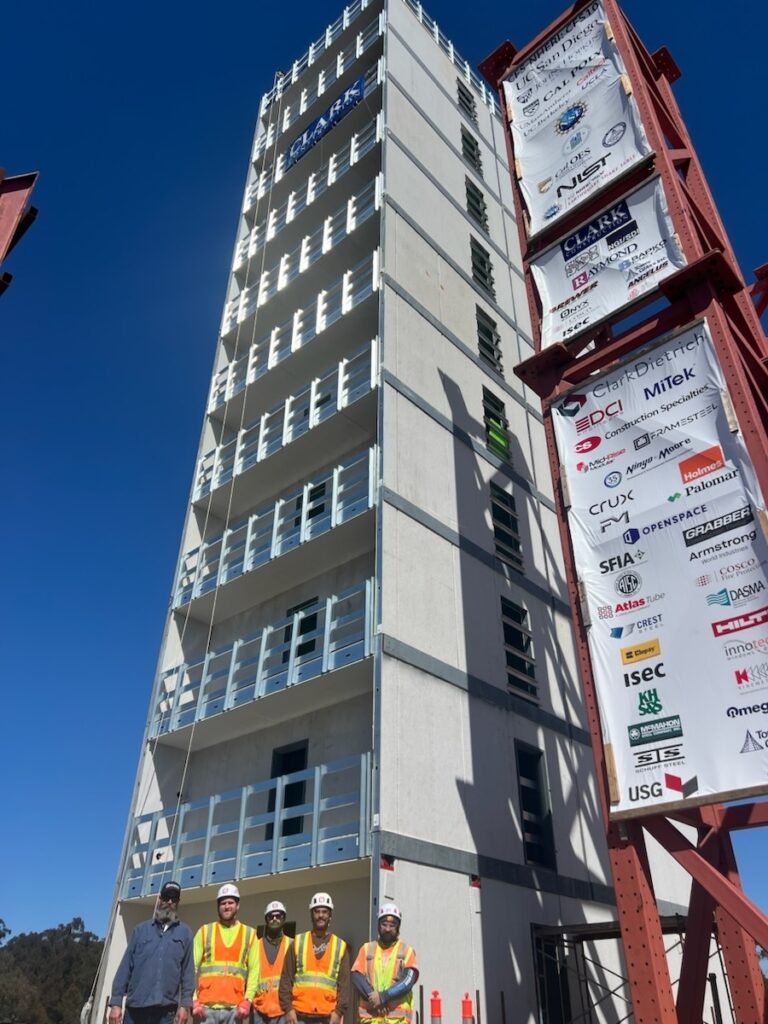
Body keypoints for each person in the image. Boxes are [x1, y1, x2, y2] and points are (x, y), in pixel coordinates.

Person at [109, 881, 195, 1024]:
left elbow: (187, 973)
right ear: (159, 899)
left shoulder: (185, 934)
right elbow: (125, 968)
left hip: (166, 1013)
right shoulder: (140, 930)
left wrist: (185, 1006)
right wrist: (116, 1003)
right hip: (135, 1012)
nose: (169, 901)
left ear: (178, 902)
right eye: (166, 897)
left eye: (174, 899)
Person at [278, 892, 350, 1024]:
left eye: (325, 912)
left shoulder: (340, 946)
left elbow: (344, 985)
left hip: (327, 1016)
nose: (321, 915)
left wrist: (339, 1013)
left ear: (330, 916)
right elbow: (285, 979)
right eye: (317, 911)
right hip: (299, 1015)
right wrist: (288, 1009)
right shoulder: (298, 942)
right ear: (312, 914)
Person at [192, 884, 259, 1024]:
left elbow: (255, 971)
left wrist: (247, 1000)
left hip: (235, 1010)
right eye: (223, 903)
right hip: (205, 1009)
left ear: (238, 905)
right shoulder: (204, 931)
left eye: (231, 902)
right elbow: (191, 968)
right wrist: (193, 1000)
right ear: (218, 906)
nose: (227, 906)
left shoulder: (250, 934)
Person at [351, 905, 418, 1024]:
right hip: (370, 1020)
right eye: (384, 924)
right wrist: (374, 999)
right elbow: (356, 976)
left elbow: (408, 981)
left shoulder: (407, 951)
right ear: (378, 925)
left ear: (398, 927)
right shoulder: (366, 949)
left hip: (397, 1021)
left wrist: (383, 997)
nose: (387, 929)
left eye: (392, 925)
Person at [253, 901, 291, 1024]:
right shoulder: (255, 946)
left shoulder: (292, 945)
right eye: (271, 916)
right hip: (259, 1010)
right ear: (266, 919)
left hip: (284, 1011)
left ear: (284, 918)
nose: (274, 919)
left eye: (278, 916)